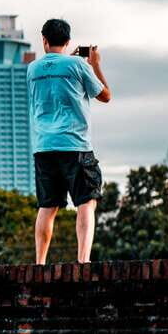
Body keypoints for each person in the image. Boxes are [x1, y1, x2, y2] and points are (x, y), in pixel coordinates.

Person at [28, 19, 111, 265]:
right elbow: (105, 96)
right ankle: (83, 261)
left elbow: (55, 74)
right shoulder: (78, 65)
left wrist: (71, 62)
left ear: (44, 40)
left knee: (47, 206)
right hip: (75, 144)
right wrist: (95, 65)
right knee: (86, 201)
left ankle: (40, 263)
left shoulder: (32, 69)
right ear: (68, 41)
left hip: (43, 145)